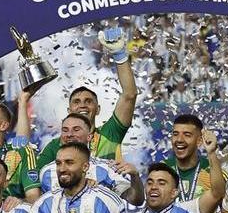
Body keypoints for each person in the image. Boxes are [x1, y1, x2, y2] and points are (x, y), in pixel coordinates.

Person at [15, 24, 138, 169]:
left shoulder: (109, 134)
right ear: (69, 110)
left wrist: (119, 55)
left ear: (98, 109)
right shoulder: (54, 147)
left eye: (88, 101)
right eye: (77, 102)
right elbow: (22, 158)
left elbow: (129, 95)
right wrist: (23, 102)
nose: (82, 105)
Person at [34, 113, 142, 205]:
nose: (70, 134)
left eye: (76, 130)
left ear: (89, 137)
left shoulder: (105, 168)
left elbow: (135, 200)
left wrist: (135, 177)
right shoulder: (46, 171)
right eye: (65, 130)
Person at [163, 114, 220, 201]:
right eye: (175, 134)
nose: (179, 139)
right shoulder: (163, 169)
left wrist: (211, 153)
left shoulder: (211, 170)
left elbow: (223, 204)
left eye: (187, 135)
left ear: (199, 141)